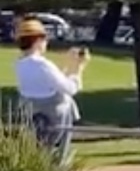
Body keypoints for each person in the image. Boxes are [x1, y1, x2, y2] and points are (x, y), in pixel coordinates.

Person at [13, 18, 86, 161]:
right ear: (38, 41)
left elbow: (49, 82)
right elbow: (70, 88)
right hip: (55, 116)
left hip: (33, 114)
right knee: (68, 104)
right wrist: (78, 68)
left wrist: (67, 64)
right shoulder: (44, 64)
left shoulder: (19, 64)